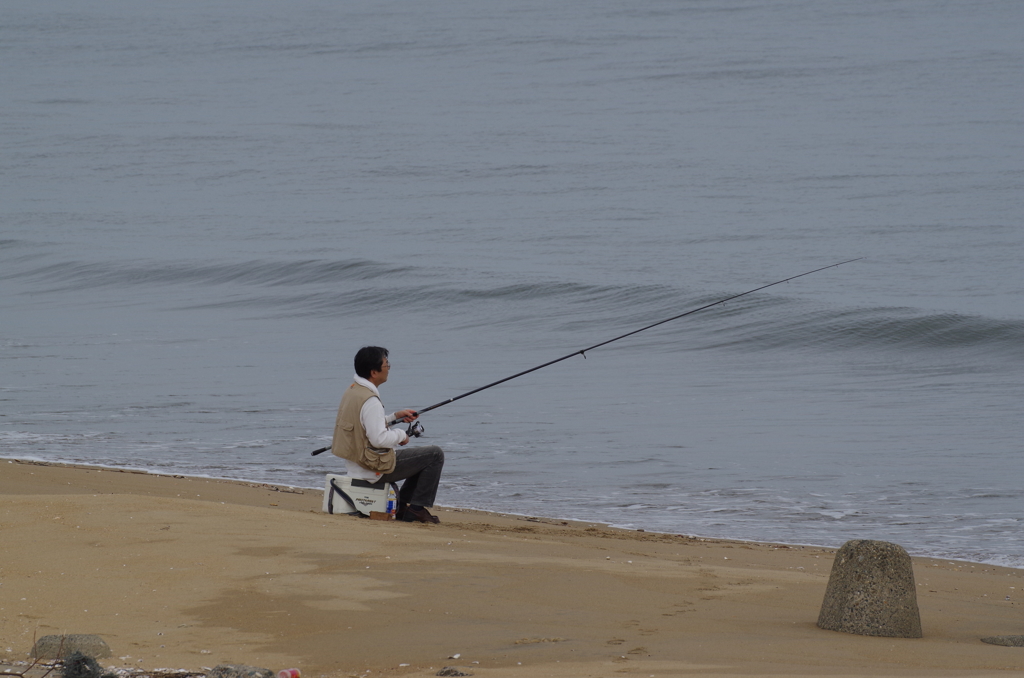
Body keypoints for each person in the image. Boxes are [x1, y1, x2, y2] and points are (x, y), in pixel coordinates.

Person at [331, 346, 445, 523]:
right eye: (386, 365)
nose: (389, 368)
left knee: (421, 457)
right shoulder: (371, 401)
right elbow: (378, 439)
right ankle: (415, 509)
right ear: (374, 372)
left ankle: (403, 507)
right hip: (372, 468)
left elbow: (364, 425)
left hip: (357, 463)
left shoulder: (353, 391)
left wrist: (394, 417)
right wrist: (401, 435)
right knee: (434, 455)